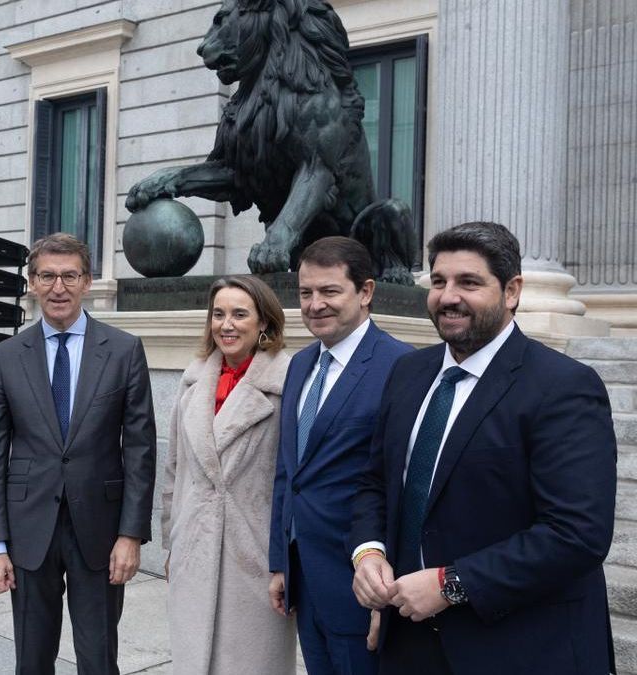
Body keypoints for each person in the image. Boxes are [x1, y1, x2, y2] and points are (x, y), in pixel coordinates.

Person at [349, 221, 617, 674]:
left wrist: (450, 584)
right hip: (408, 642)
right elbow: (375, 482)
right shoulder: (408, 373)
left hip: (519, 648)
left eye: (468, 282)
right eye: (438, 282)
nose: (448, 296)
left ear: (511, 291)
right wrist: (368, 554)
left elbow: (576, 534)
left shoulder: (564, 387)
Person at [0, 232, 157, 675]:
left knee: (98, 658)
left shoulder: (124, 350)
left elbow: (139, 449)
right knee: (32, 658)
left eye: (70, 276)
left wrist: (131, 536)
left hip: (99, 529)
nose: (59, 287)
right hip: (27, 529)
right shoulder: (6, 356)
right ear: (32, 283)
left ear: (87, 281)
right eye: (47, 276)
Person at [268, 237, 412, 675]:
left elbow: (403, 487)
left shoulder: (403, 367)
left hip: (362, 586)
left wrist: (388, 593)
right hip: (305, 581)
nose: (314, 305)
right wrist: (281, 563)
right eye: (306, 293)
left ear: (365, 292)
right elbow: (287, 473)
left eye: (329, 292)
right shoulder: (299, 364)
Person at [162, 275, 295, 674]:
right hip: (195, 549)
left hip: (254, 557)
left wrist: (285, 560)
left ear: (264, 323)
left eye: (240, 314)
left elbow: (291, 480)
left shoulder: (287, 384)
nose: (227, 324)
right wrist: (174, 537)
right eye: (218, 314)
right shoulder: (192, 382)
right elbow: (175, 470)